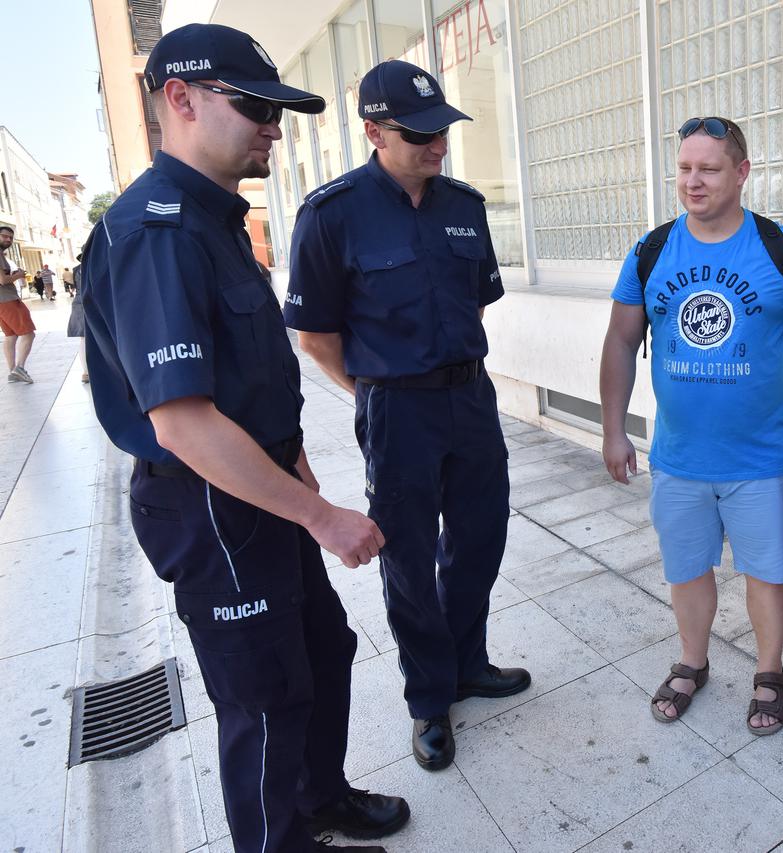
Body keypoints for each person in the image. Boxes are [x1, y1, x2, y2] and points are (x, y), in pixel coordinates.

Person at [80, 24, 408, 853]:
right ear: (180, 100)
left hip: (262, 491)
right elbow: (184, 423)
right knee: (264, 699)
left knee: (322, 651)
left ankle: (320, 799)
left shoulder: (217, 220)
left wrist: (309, 500)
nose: (275, 126)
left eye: (279, 111)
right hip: (210, 505)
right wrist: (325, 518)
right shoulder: (156, 234)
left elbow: (258, 390)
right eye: (258, 107)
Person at [284, 59, 530, 774]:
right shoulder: (331, 215)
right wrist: (374, 395)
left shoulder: (464, 205)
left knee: (481, 537)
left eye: (441, 130)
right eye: (419, 134)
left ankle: (466, 661)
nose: (437, 144)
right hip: (396, 406)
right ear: (374, 132)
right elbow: (316, 338)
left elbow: (474, 300)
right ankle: (429, 696)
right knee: (409, 555)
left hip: (470, 397)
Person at [600, 116, 783, 735]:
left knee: (767, 572)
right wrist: (614, 430)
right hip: (678, 457)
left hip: (756, 458)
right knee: (686, 569)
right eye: (685, 168)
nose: (693, 182)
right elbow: (619, 341)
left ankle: (770, 672)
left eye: (709, 169)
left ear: (742, 173)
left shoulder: (778, 248)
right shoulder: (651, 251)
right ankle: (692, 662)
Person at [0, 225, 35, 383]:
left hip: (3, 301)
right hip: (7, 300)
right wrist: (19, 275)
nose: (8, 239)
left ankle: (12, 371)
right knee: (28, 333)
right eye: (4, 236)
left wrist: (12, 275)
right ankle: (19, 368)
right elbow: (2, 280)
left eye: (10, 237)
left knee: (11, 336)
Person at [66, 258, 87, 382]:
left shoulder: (76, 270)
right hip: (92, 302)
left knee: (83, 339)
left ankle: (86, 372)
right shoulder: (97, 264)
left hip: (78, 302)